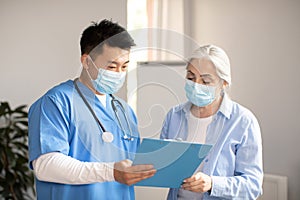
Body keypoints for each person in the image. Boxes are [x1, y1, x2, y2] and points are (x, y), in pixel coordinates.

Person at [28, 19, 156, 200]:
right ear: (87, 61)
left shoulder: (124, 111)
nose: (119, 73)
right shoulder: (56, 102)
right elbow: (46, 165)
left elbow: (131, 167)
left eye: (124, 66)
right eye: (111, 66)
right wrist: (110, 171)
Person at [160, 44, 263, 199]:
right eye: (191, 77)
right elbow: (163, 167)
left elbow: (252, 186)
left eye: (206, 81)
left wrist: (212, 184)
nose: (196, 85)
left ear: (224, 84)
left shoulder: (243, 121)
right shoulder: (174, 116)